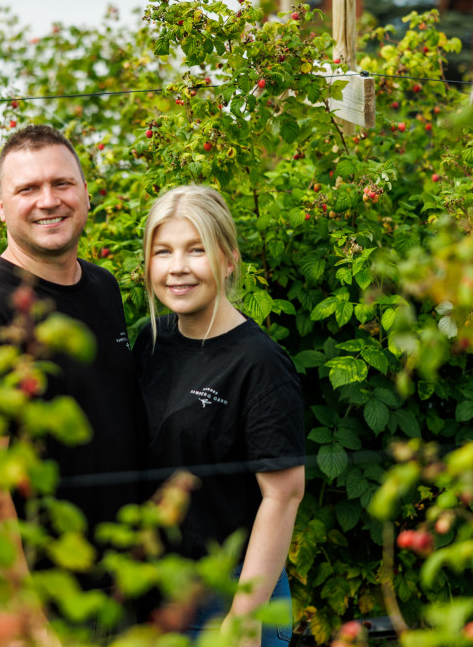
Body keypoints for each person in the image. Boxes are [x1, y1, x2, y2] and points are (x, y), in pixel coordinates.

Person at [0, 125, 145, 600]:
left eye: (62, 184)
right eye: (28, 189)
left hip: (121, 583)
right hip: (49, 599)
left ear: (86, 193)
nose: (49, 200)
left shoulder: (103, 288)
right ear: (1, 206)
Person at [132, 185, 306, 646]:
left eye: (196, 250)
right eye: (163, 252)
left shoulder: (259, 364)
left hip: (228, 596)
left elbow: (283, 496)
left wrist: (244, 618)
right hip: (156, 593)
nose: (177, 268)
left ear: (228, 259)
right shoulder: (150, 343)